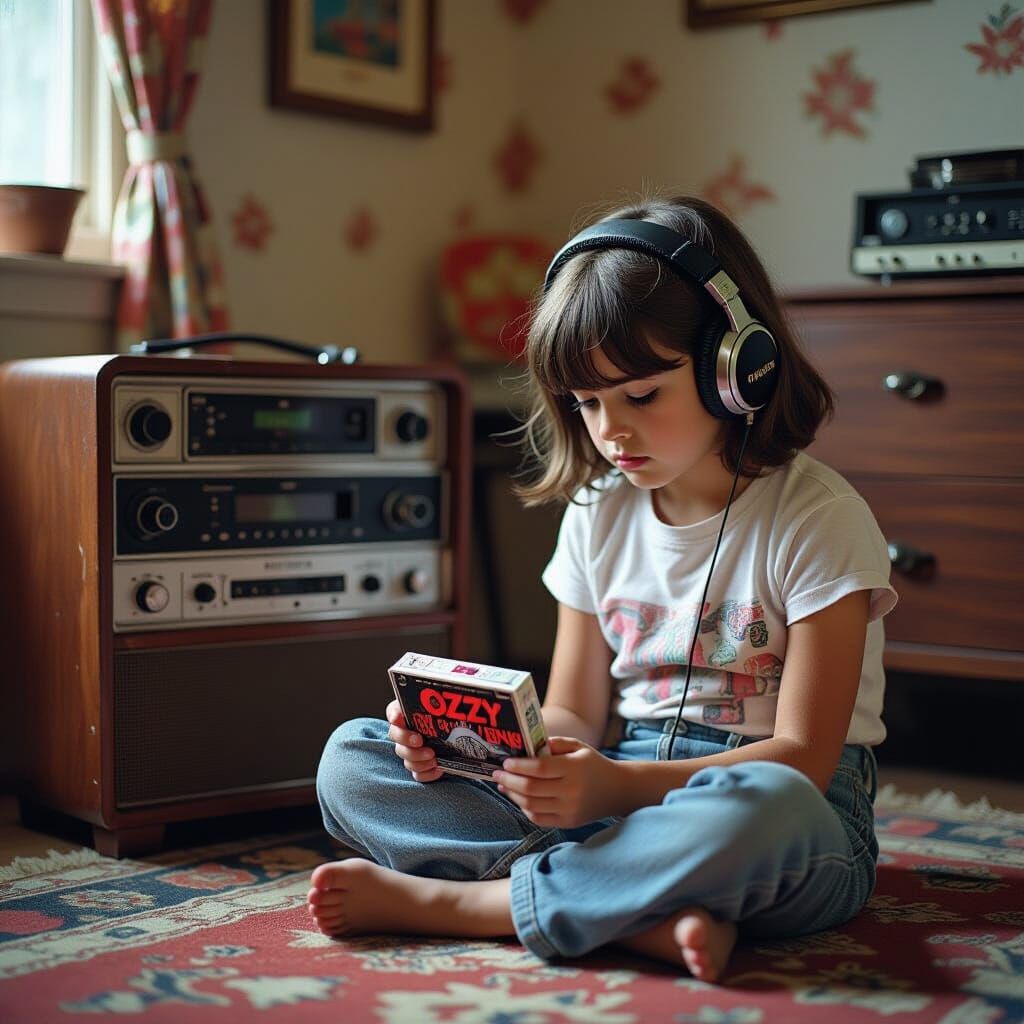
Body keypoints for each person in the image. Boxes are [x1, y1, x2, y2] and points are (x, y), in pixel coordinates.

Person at [308, 194, 897, 983]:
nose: (610, 430)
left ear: (736, 369)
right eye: (587, 403)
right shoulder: (596, 514)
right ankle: (635, 910)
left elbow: (804, 762)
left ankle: (478, 905)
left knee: (770, 808)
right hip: (613, 802)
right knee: (351, 761)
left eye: (641, 395)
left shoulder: (819, 518)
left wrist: (618, 787)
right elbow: (574, 716)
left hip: (783, 812)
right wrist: (467, 752)